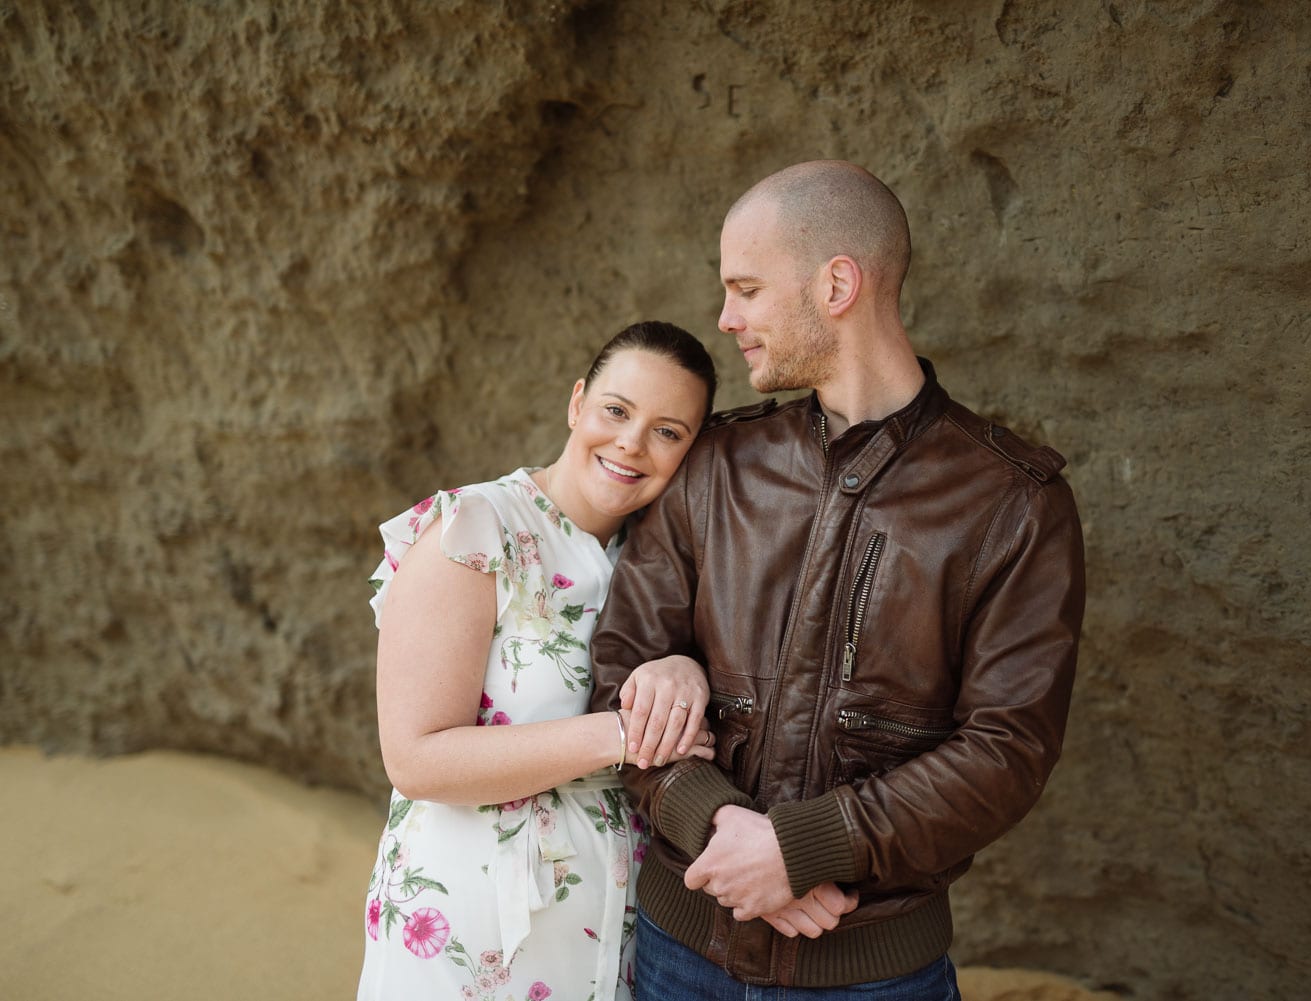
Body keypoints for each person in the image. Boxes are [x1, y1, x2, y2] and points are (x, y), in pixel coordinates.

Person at [589, 161, 1086, 998]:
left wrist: (804, 847)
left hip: (875, 979)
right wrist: (721, 826)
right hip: (676, 961)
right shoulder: (717, 462)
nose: (726, 317)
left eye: (746, 288)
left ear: (837, 283)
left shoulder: (1015, 503)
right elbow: (617, 671)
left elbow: (1010, 749)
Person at [357, 321, 722, 1001]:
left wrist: (687, 669)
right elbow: (415, 758)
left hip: (613, 925)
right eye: (616, 410)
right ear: (577, 401)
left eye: (669, 431)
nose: (631, 443)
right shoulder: (475, 529)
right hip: (472, 926)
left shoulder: (664, 564)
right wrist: (621, 733)